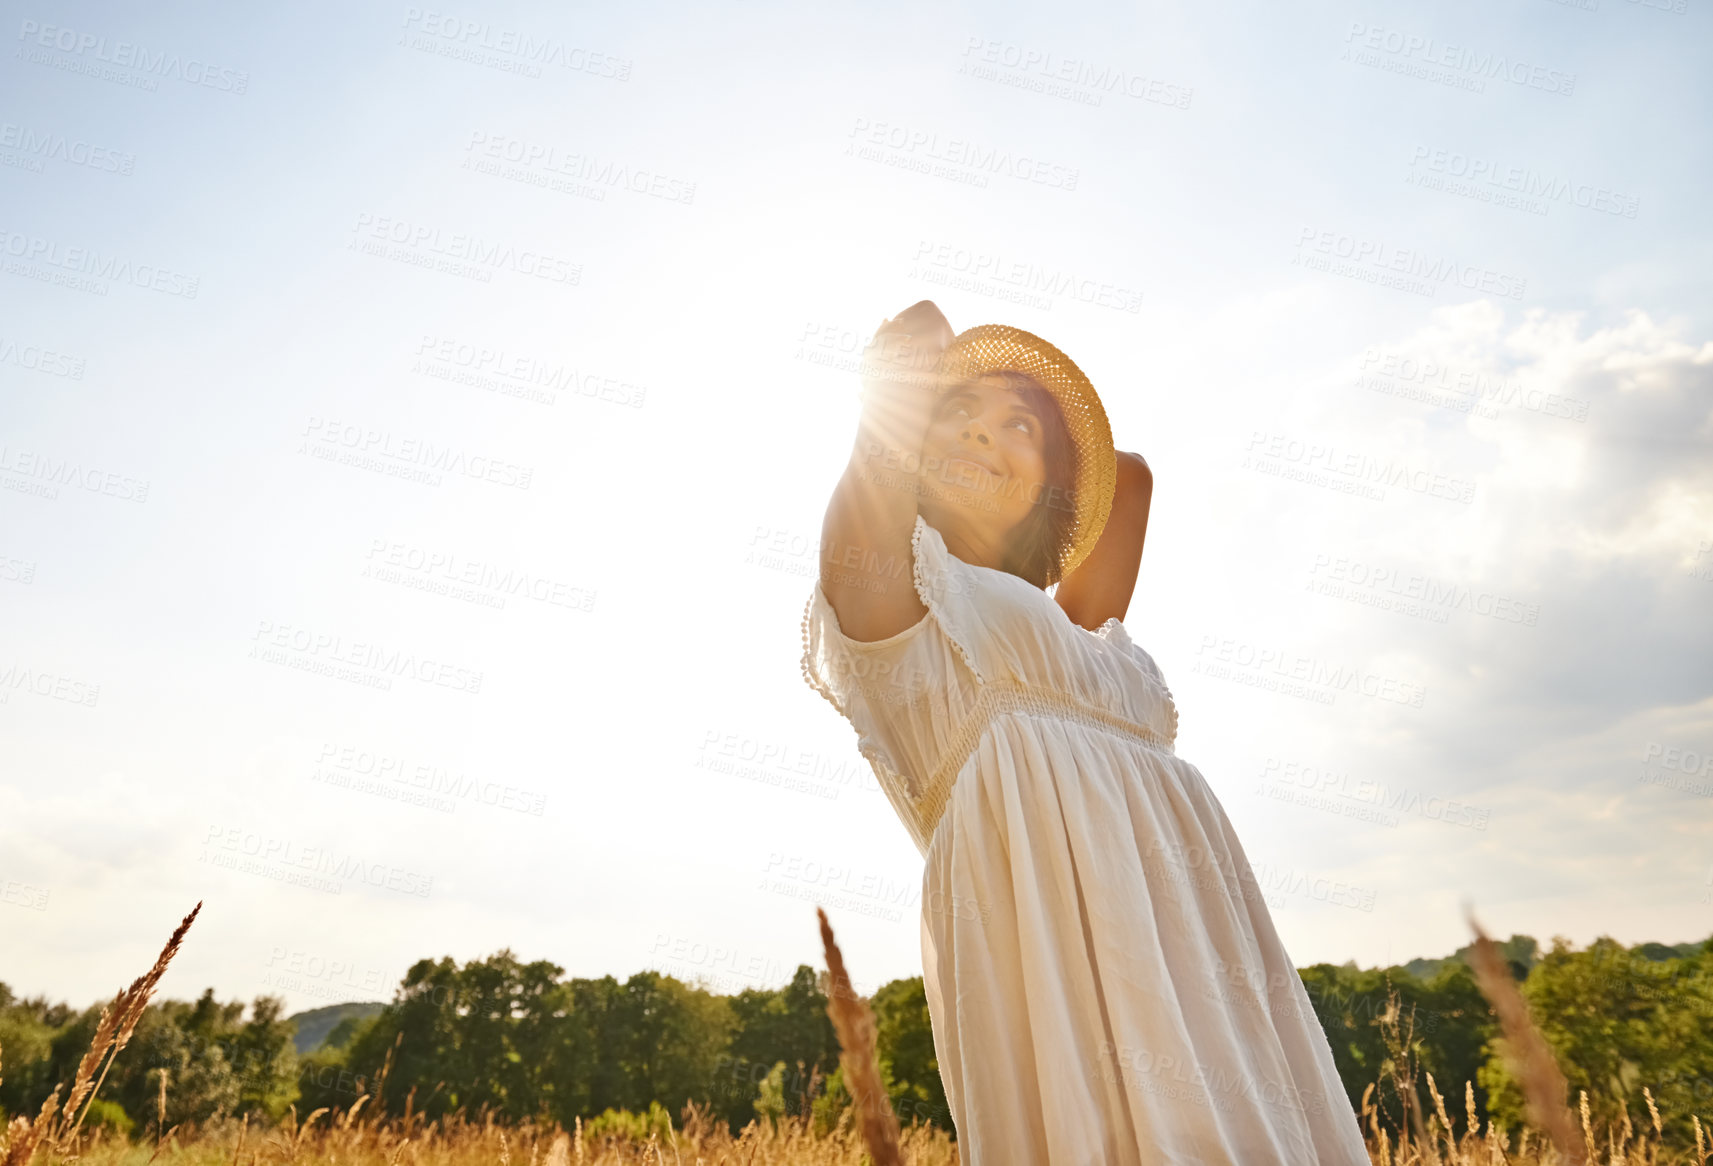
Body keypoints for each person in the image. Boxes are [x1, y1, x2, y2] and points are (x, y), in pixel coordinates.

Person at [799, 300, 1370, 1164]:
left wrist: (1057, 455)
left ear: (1053, 487)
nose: (981, 434)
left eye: (1014, 426)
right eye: (955, 416)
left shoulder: (1075, 637)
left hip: (1202, 967)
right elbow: (913, 336)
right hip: (1064, 971)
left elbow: (1131, 478)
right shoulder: (897, 606)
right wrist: (970, 401)